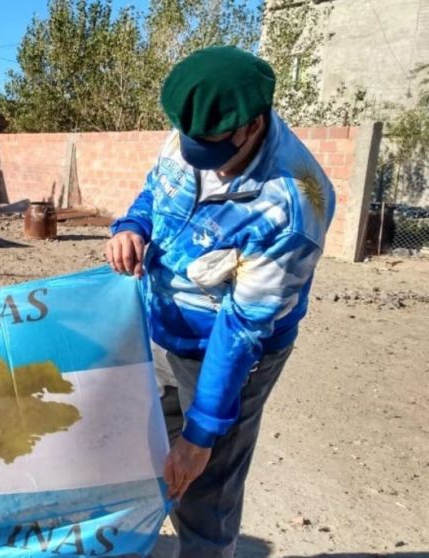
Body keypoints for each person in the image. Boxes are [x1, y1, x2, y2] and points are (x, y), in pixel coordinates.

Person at [105, 46, 335, 557]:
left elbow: (243, 328)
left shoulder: (291, 205)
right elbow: (155, 191)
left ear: (250, 126)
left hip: (225, 353)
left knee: (203, 485)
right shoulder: (192, 133)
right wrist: (132, 225)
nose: (201, 162)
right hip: (160, 328)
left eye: (213, 152)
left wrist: (203, 431)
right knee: (144, 451)